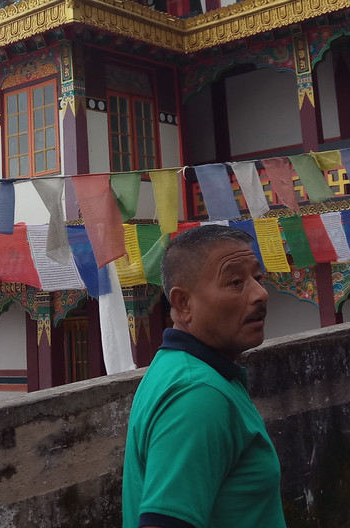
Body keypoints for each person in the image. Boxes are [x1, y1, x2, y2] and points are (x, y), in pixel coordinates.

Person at [122, 225, 287, 528]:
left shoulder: (182, 368)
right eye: (236, 282)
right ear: (183, 304)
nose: (260, 293)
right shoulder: (196, 395)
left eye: (258, 278)